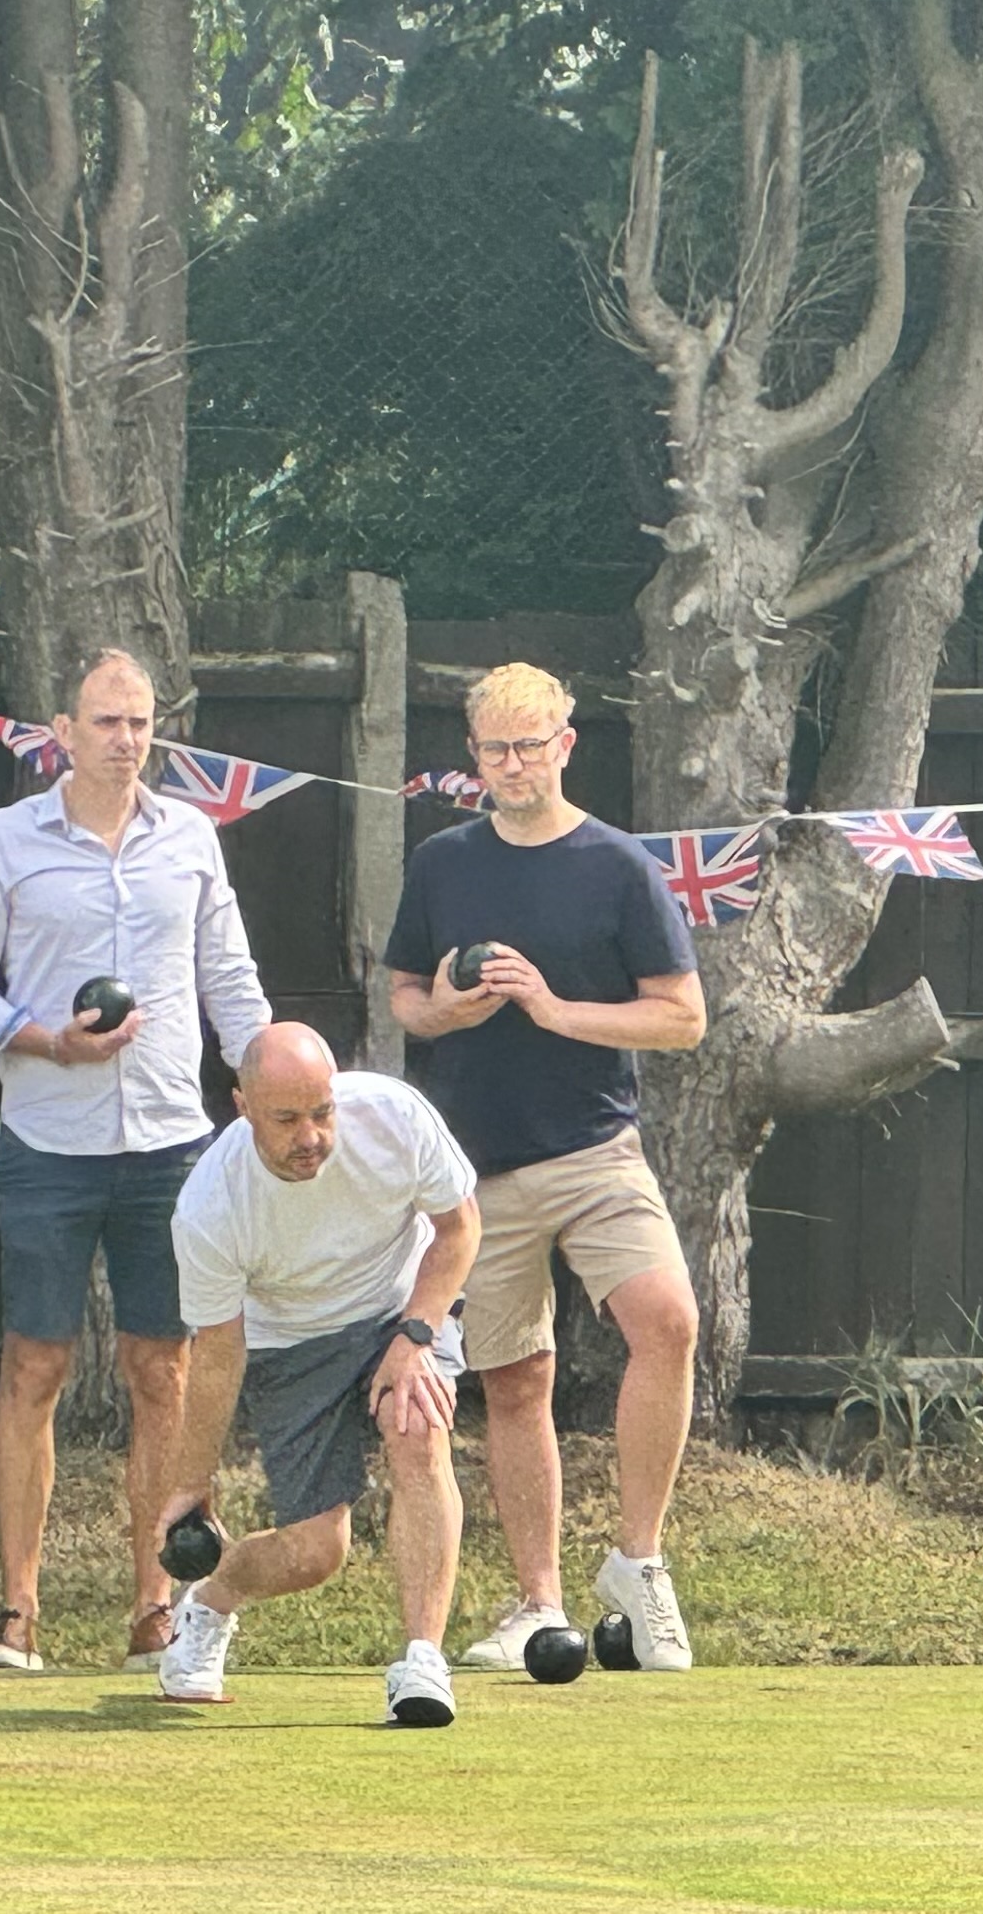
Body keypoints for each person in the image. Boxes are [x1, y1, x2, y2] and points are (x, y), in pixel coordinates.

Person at [0, 649, 272, 1673]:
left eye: (139, 722)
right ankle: (19, 1612)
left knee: (162, 1372)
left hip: (173, 1141)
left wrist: (267, 1088)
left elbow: (229, 979)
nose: (125, 739)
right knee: (34, 1365)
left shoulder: (192, 841)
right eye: (105, 721)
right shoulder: (2, 842)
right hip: (46, 1138)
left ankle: (155, 1604)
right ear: (62, 733)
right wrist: (45, 1039)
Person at [382, 661, 708, 1674]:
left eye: (529, 746)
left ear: (567, 745)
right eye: (492, 750)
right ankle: (537, 1601)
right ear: (472, 756)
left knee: (669, 1322)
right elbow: (403, 997)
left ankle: (639, 1562)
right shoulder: (442, 863)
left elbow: (683, 1018)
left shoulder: (618, 867)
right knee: (516, 1380)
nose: (511, 766)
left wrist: (555, 1009)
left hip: (595, 1146)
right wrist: (449, 1009)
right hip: (477, 1167)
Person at [149, 1025, 482, 1726]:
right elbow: (216, 1351)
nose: (312, 1136)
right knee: (314, 1554)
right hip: (292, 1342)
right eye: (287, 1119)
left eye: (322, 1112)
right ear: (242, 1106)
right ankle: (210, 1604)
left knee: (416, 1427)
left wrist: (417, 1336)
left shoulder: (393, 1114)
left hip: (400, 1308)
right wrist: (191, 1481)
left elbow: (459, 1228)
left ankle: (422, 1661)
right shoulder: (211, 1207)